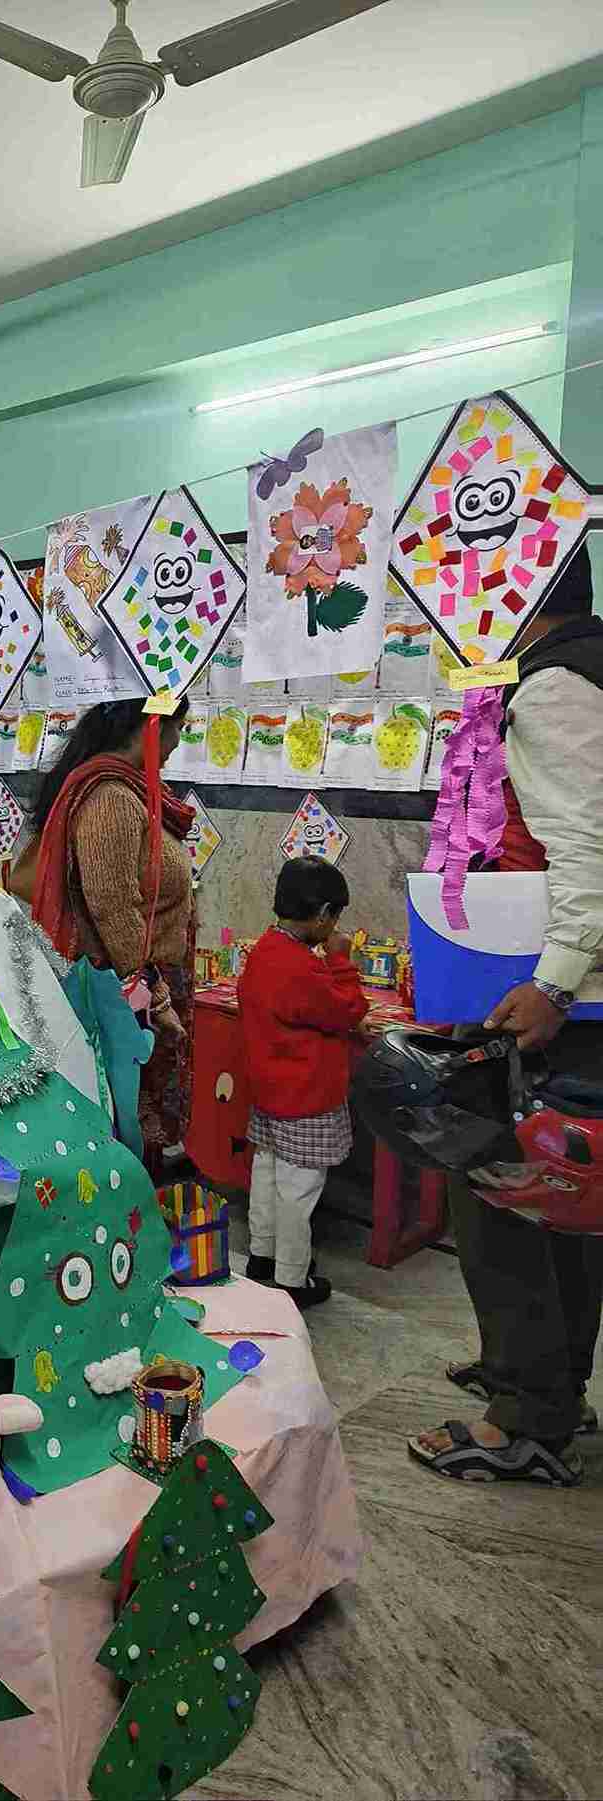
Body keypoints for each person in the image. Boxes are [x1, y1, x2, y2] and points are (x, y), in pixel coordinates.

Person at [413, 547, 603, 1485]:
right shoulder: (581, 671)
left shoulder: (555, 687)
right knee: (565, 1199)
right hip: (563, 993)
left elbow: (587, 849)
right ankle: (550, 1384)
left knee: (501, 1191)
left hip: (550, 997)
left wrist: (554, 982)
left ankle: (525, 1411)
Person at [24, 697, 196, 1166]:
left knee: (143, 1130)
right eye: (179, 728)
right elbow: (113, 908)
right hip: (129, 998)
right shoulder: (112, 800)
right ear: (153, 727)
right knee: (128, 1130)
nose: (178, 743)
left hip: (141, 987)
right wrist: (156, 1000)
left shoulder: (133, 792)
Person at [237, 857, 369, 1309]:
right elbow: (347, 1010)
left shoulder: (264, 951)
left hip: (269, 1094)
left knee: (267, 1175)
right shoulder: (303, 967)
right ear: (323, 914)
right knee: (299, 1191)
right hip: (305, 1099)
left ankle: (262, 1257)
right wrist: (341, 960)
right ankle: (293, 1278)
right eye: (336, 917)